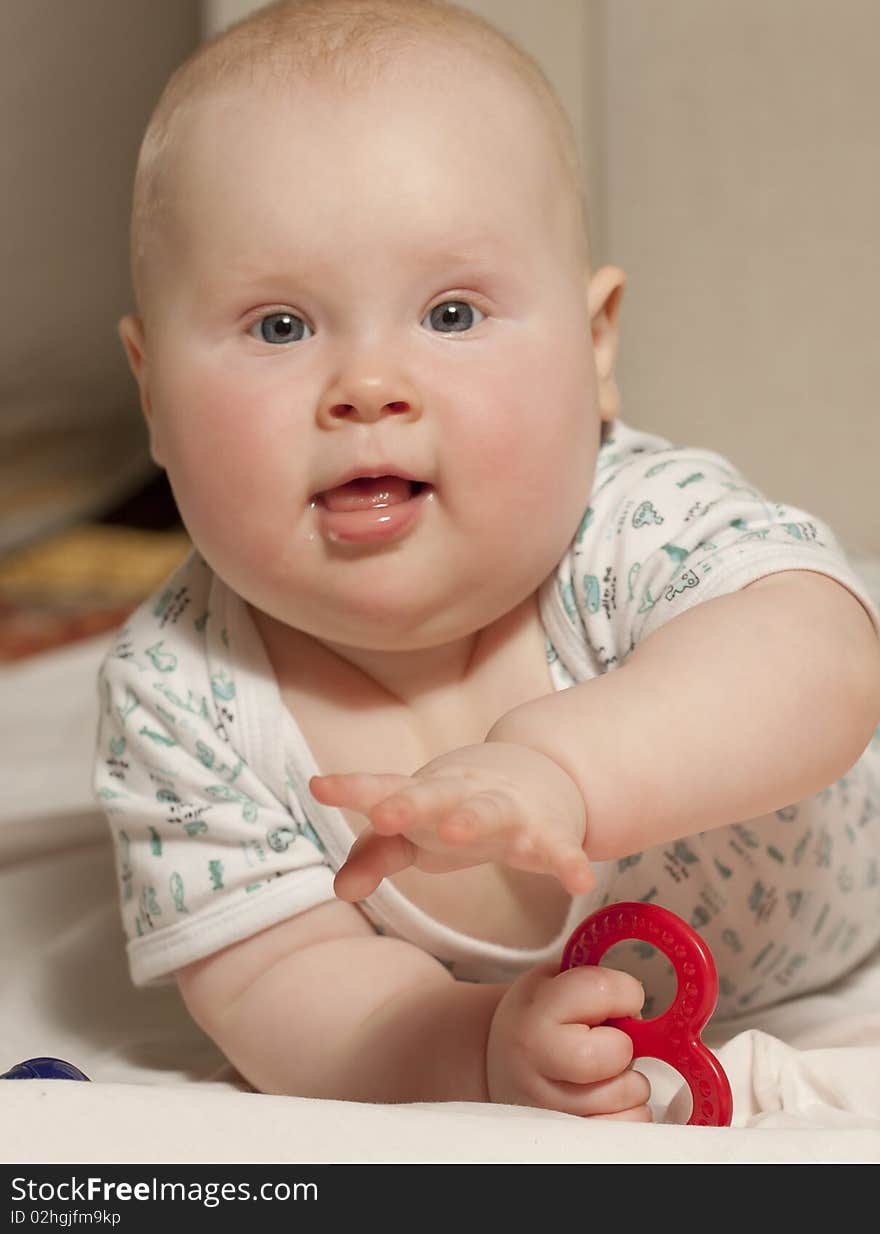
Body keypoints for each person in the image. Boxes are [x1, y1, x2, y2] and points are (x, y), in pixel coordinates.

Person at [94, 0, 880, 1118]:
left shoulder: (634, 526)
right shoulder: (177, 698)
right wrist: (471, 1049)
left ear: (595, 347)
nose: (367, 384)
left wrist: (564, 768)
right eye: (280, 326)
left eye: (451, 312)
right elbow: (281, 981)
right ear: (151, 395)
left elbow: (825, 669)